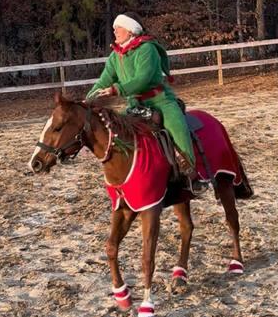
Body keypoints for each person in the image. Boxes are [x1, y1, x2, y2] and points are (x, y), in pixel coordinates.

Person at [86, 12, 207, 194]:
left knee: (177, 127)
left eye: (118, 27)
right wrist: (87, 101)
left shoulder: (147, 49)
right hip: (134, 104)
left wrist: (116, 89)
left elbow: (143, 78)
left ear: (130, 30)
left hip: (160, 100)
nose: (114, 30)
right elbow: (103, 81)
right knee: (118, 133)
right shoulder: (115, 56)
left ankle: (190, 175)